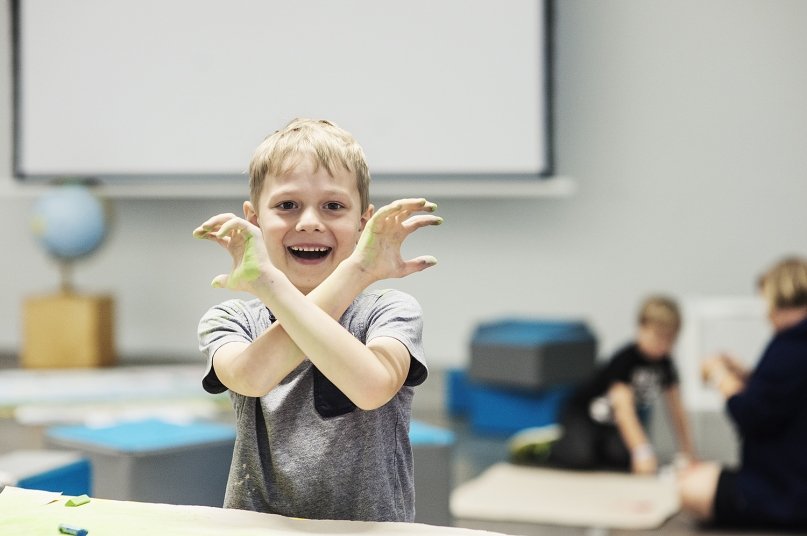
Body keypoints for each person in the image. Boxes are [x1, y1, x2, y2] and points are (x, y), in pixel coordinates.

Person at [193, 118, 443, 522]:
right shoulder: (231, 318)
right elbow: (252, 378)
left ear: (364, 221)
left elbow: (372, 387)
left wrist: (359, 270)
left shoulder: (389, 310)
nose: (309, 221)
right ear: (254, 220)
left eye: (333, 206)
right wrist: (273, 286)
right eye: (287, 205)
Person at [679, 256, 807, 529]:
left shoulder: (790, 345)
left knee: (689, 487)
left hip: (788, 494)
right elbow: (783, 397)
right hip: (794, 480)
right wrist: (749, 376)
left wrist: (719, 376)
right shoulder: (797, 346)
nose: (765, 313)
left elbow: (751, 414)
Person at [511, 295, 696, 474]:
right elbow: (624, 410)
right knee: (579, 458)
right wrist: (642, 451)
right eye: (658, 337)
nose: (663, 345)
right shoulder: (625, 360)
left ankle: (593, 446)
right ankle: (551, 443)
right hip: (583, 415)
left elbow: (676, 408)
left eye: (670, 339)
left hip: (609, 425)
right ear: (642, 328)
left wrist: (688, 452)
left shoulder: (666, 365)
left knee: (621, 459)